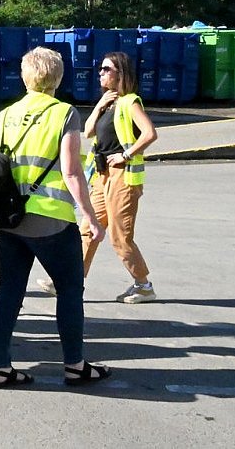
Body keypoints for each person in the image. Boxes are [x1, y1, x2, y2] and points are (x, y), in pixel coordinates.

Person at [0, 47, 111, 389]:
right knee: (70, 290)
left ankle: (1, 366)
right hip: (52, 219)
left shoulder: (5, 115)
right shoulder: (64, 113)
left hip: (10, 218)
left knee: (9, 289)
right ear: (57, 78)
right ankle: (74, 364)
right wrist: (91, 218)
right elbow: (72, 172)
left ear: (25, 76)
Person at [63, 51, 159, 303]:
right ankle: (71, 279)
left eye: (107, 69)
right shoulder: (109, 103)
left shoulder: (130, 102)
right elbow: (88, 132)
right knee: (88, 229)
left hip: (123, 177)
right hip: (102, 175)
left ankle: (143, 285)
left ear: (121, 74)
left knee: (119, 235)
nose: (101, 73)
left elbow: (150, 133)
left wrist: (125, 155)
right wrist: (99, 105)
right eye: (101, 69)